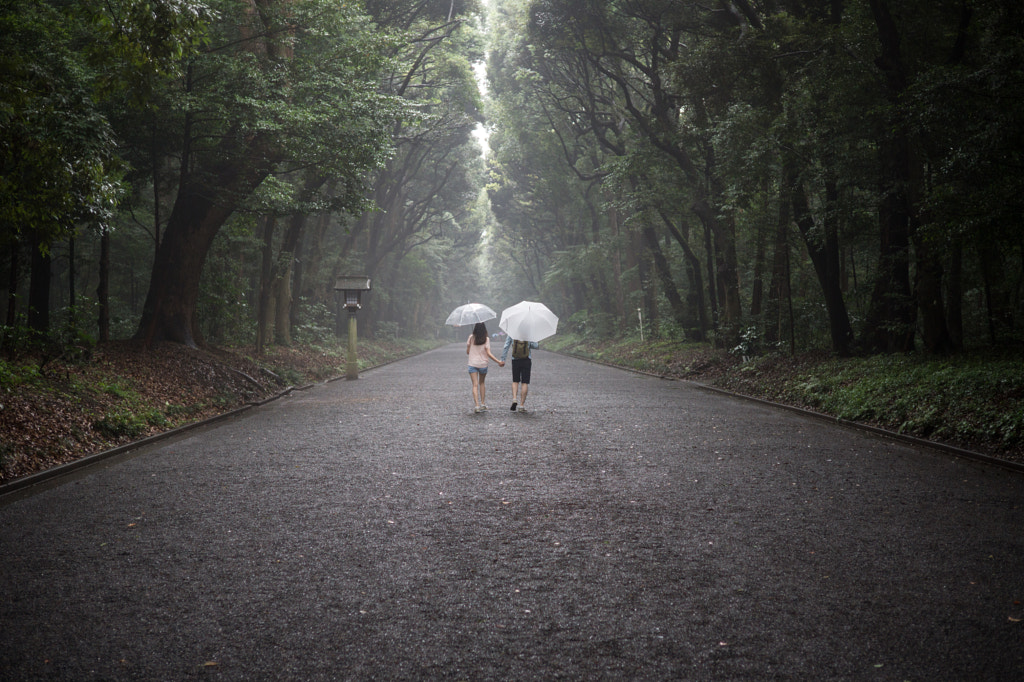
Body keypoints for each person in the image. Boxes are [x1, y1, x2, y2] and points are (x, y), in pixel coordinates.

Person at [466, 322, 504, 413]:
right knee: (482, 383)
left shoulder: (471, 338)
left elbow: (467, 352)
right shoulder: (486, 339)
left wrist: (470, 347)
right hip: (483, 364)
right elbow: (488, 353)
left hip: (472, 364)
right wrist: (498, 361)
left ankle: (477, 406)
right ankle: (483, 404)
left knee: (474, 385)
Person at [500, 336, 539, 412]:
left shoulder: (512, 332)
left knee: (515, 381)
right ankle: (521, 405)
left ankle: (514, 398)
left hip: (515, 359)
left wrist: (503, 359)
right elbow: (535, 346)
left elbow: (506, 346)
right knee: (525, 382)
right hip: (526, 359)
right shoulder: (529, 333)